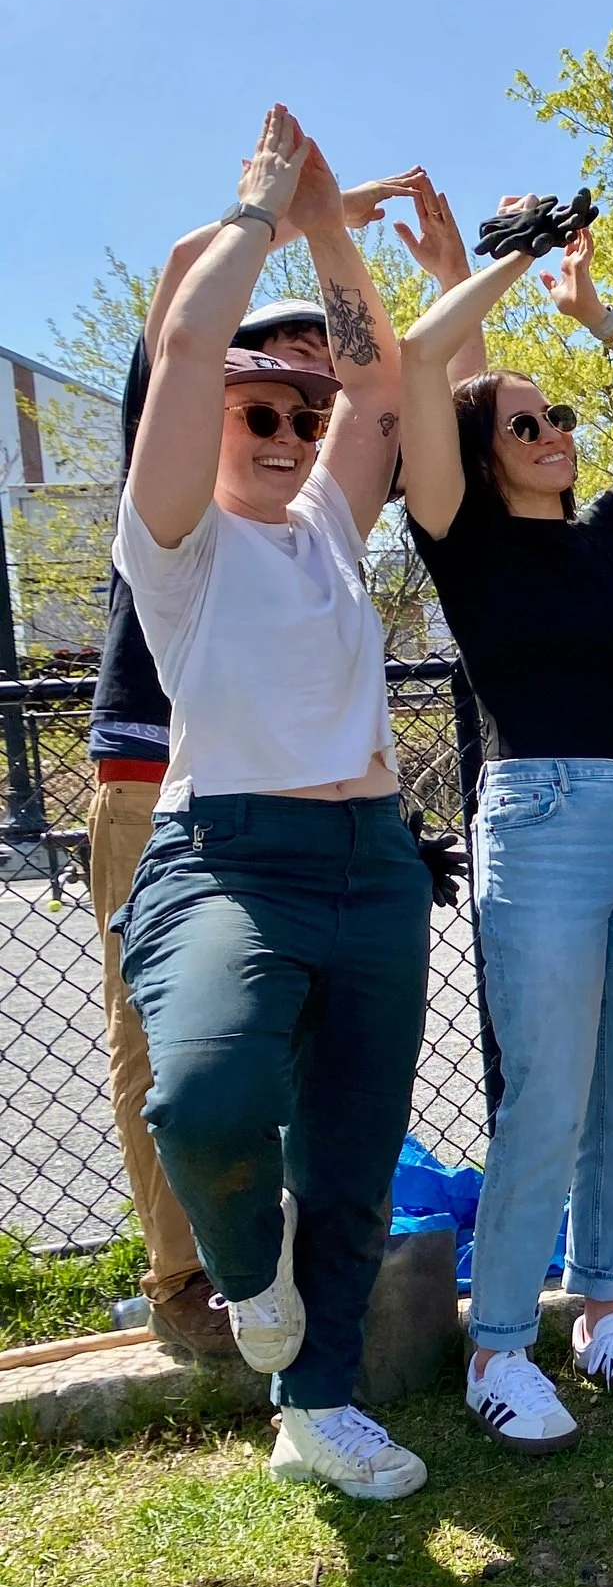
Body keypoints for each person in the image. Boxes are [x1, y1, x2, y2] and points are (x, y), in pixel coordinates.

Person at [88, 168, 473, 1361]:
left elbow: (389, 386)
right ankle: (200, 1279)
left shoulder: (328, 528)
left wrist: (344, 251)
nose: (293, 427)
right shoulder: (178, 508)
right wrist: (291, 211)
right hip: (184, 794)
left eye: (310, 414)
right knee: (189, 1069)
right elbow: (188, 327)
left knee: (337, 1106)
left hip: (346, 843)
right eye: (263, 404)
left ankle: (318, 1355)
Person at [399, 203, 613, 1452]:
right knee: (547, 1094)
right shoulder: (456, 534)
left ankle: (605, 1312)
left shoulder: (605, 532)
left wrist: (597, 316)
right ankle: (500, 1346)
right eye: (525, 422)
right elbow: (425, 365)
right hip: (544, 820)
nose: (554, 433)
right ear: (482, 450)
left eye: (560, 417)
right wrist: (506, 264)